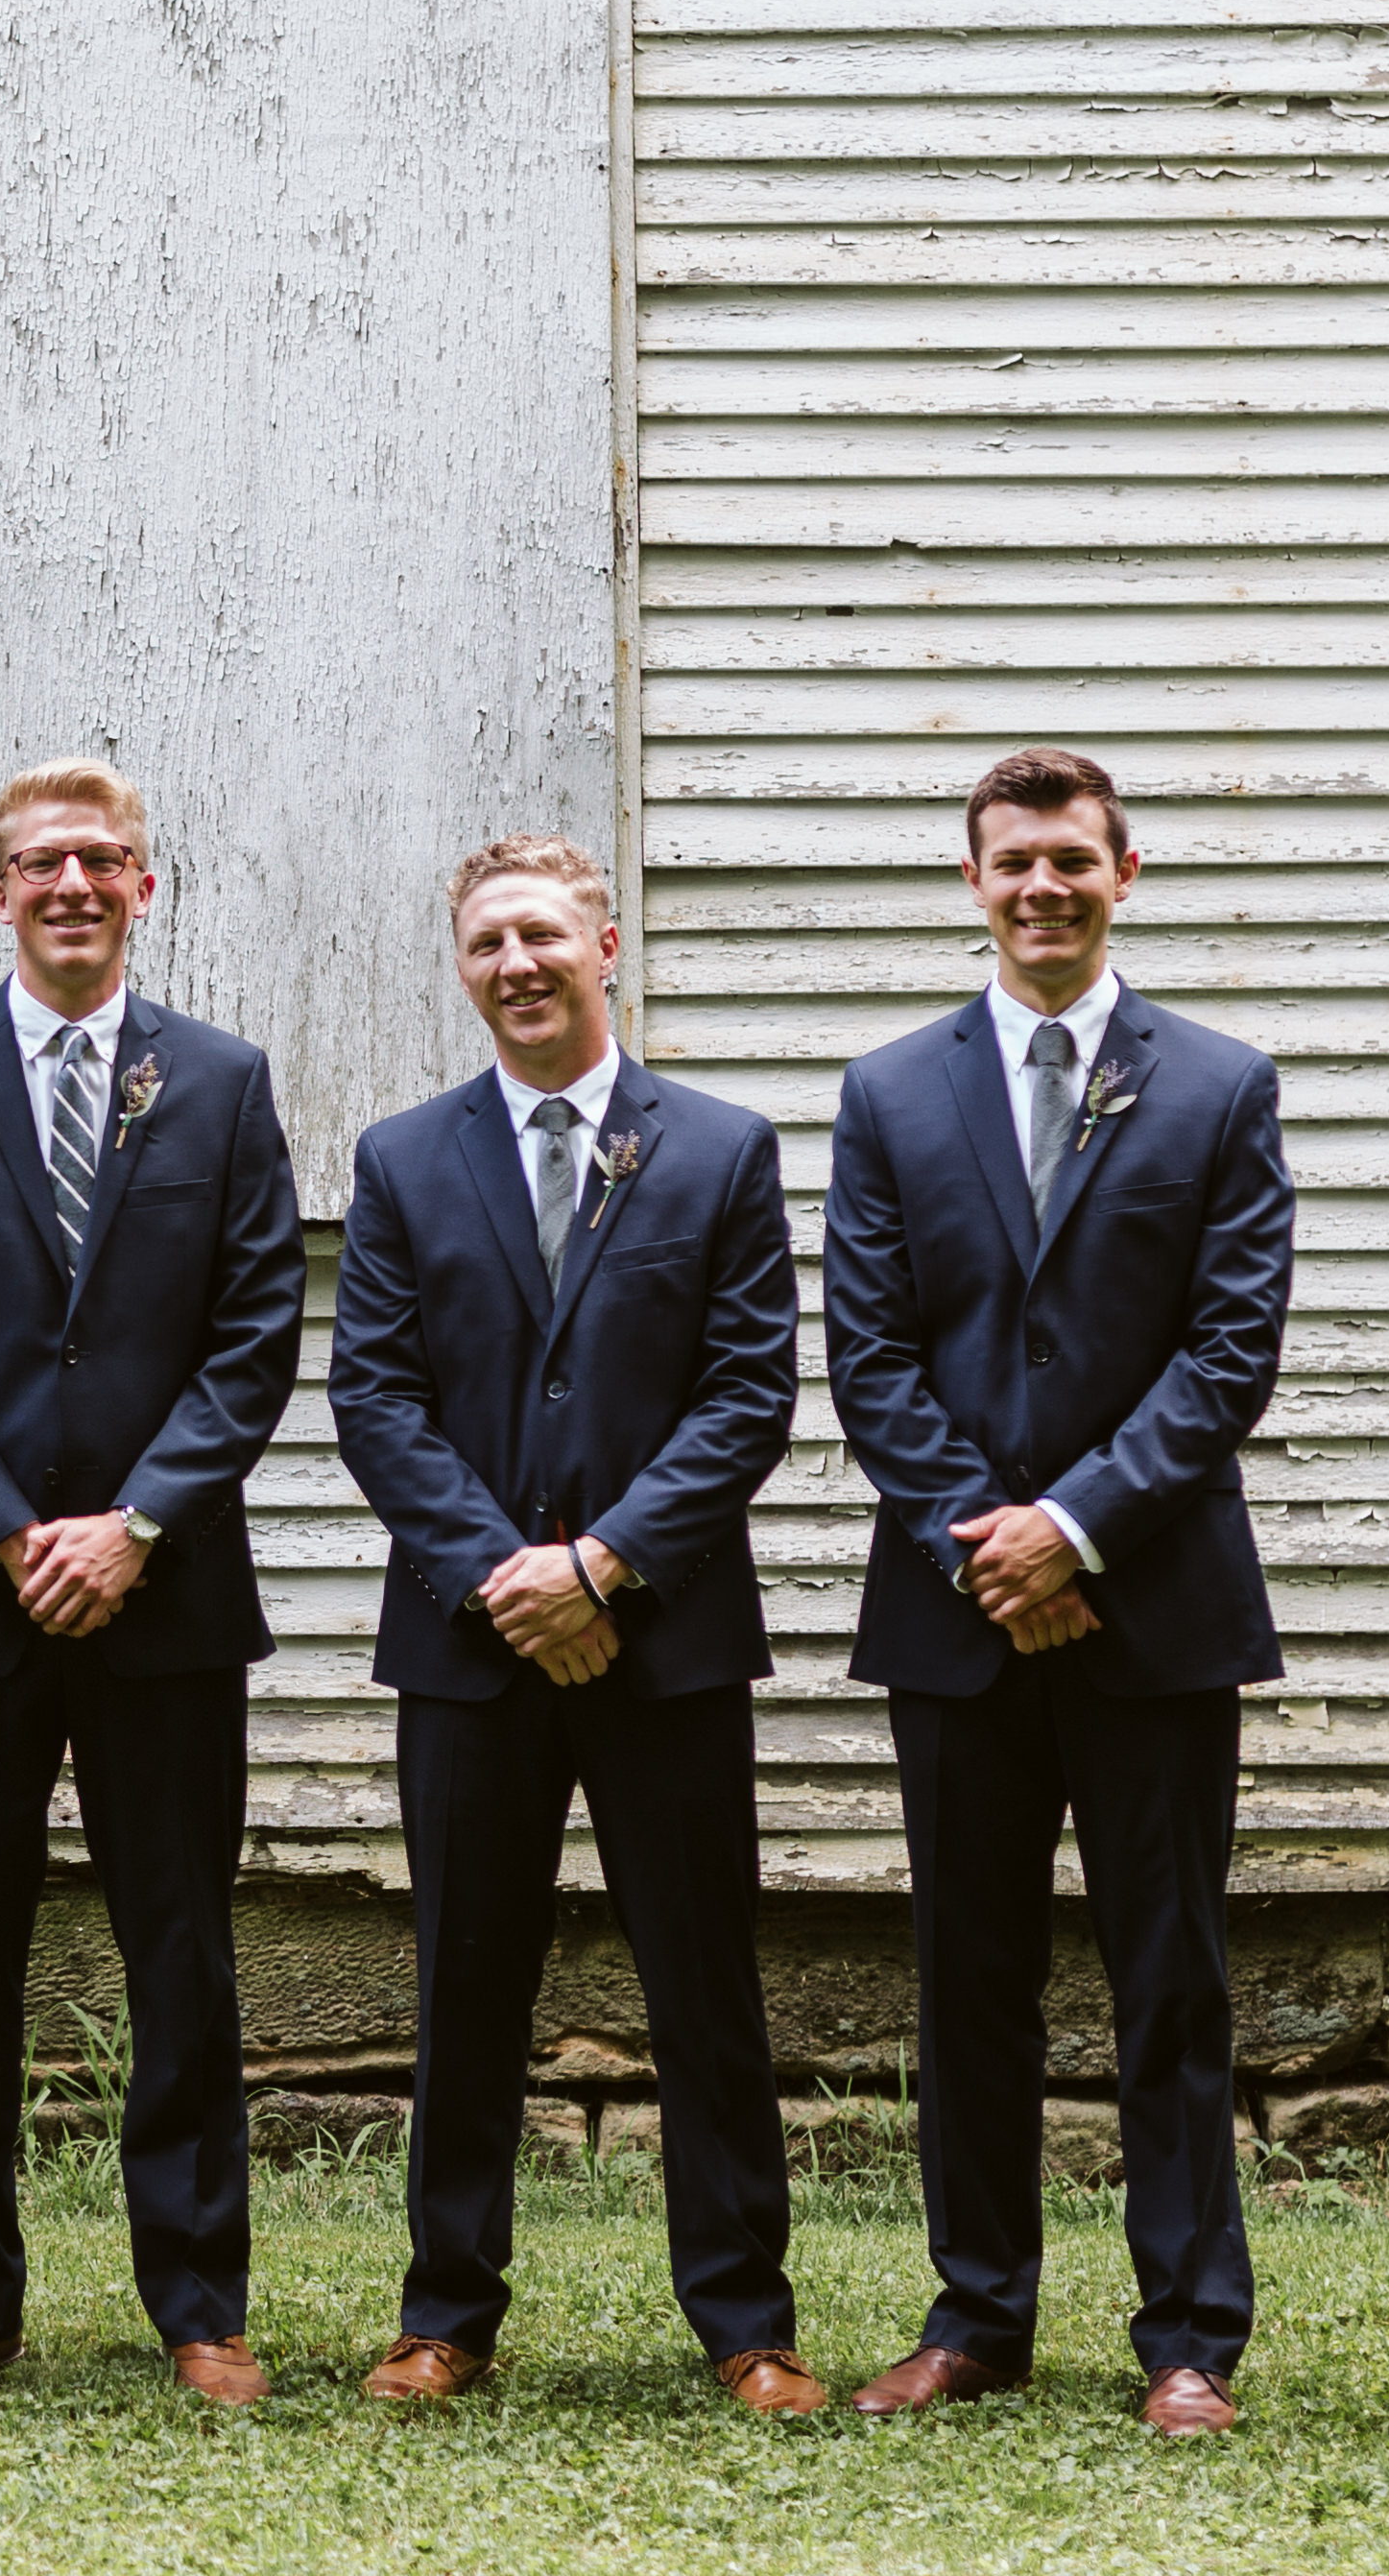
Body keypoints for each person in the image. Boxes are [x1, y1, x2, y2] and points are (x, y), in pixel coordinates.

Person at [822, 748, 1293, 2436]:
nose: (1043, 889)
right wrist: (987, 1539)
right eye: (1013, 863)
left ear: (1124, 872)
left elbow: (1230, 1349)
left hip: (1151, 1608)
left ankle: (1189, 2335)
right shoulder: (889, 1093)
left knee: (1172, 1972)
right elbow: (869, 1355)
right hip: (958, 1619)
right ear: (974, 881)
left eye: (1072, 862)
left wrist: (1077, 1530)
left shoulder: (1221, 1086)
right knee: (971, 1973)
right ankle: (978, 2315)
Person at [323, 834, 818, 2413]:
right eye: (486, 945)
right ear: (462, 969)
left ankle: (747, 2321)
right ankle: (445, 2314)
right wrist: (505, 1578)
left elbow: (749, 1394)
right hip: (473, 1649)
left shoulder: (721, 1149)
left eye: (543, 934)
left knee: (703, 1985)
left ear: (605, 943)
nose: (517, 964)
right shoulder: (404, 1159)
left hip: (664, 1643)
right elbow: (379, 1398)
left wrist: (601, 1567)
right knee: (465, 1981)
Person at [0, 760, 302, 2407]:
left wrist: (138, 1525)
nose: (73, 885)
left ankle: (201, 2305)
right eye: (40, 862)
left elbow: (254, 1339)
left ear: (145, 886)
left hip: (162, 1600)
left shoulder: (224, 1084)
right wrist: (8, 1533)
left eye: (103, 860)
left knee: (182, 1951)